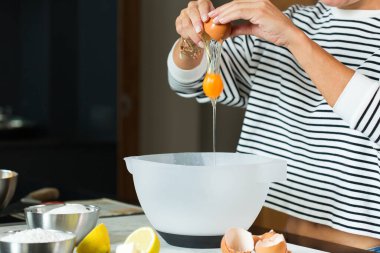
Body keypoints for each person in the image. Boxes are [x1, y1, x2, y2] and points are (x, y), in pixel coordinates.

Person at [167, 0, 380, 250]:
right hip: (261, 239)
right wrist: (192, 41)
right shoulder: (292, 19)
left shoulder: (287, 28)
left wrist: (294, 40)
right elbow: (191, 83)